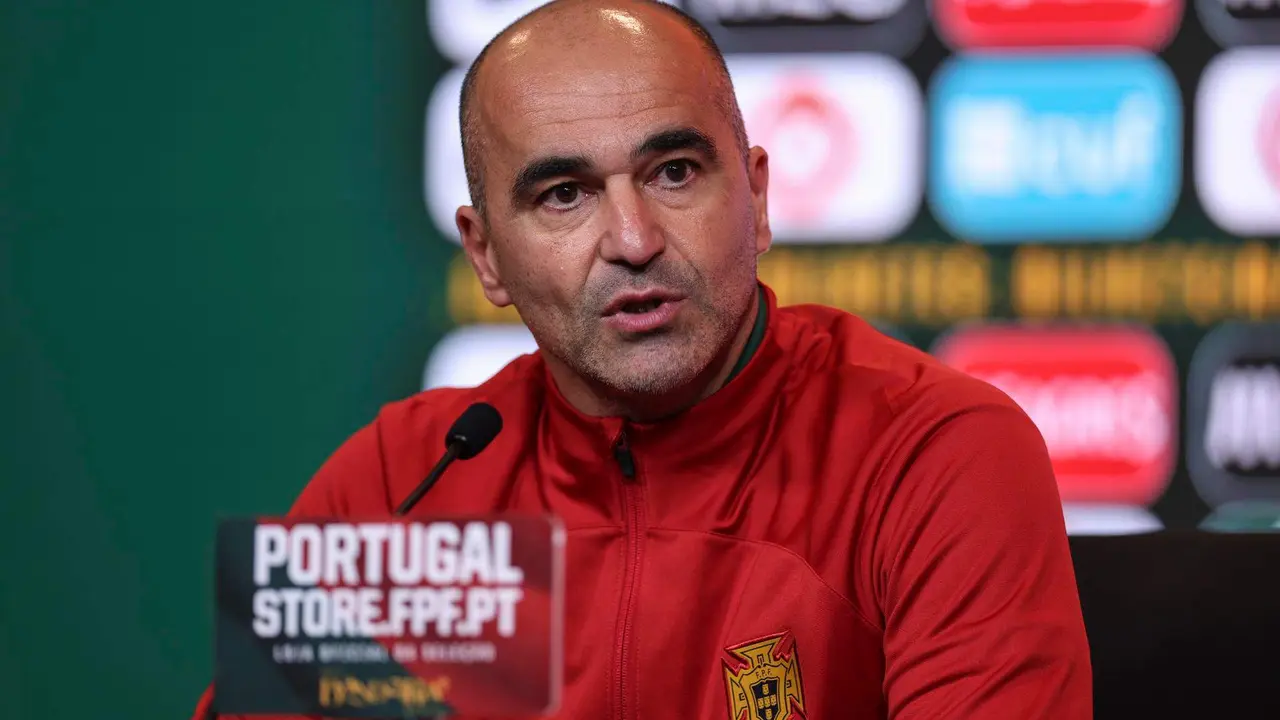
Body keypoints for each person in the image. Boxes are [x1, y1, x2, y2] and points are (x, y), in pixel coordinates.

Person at [192, 1, 1092, 718]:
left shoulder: (931, 453)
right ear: (486, 256)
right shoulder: (403, 485)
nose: (632, 239)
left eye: (674, 173)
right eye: (563, 194)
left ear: (759, 196)